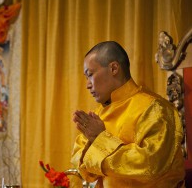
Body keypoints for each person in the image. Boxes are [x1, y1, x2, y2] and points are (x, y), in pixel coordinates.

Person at [70, 41, 185, 188]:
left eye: (90, 74)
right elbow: (81, 165)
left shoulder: (154, 108)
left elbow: (149, 165)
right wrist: (94, 143)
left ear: (113, 68)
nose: (88, 84)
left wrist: (100, 140)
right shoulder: (98, 114)